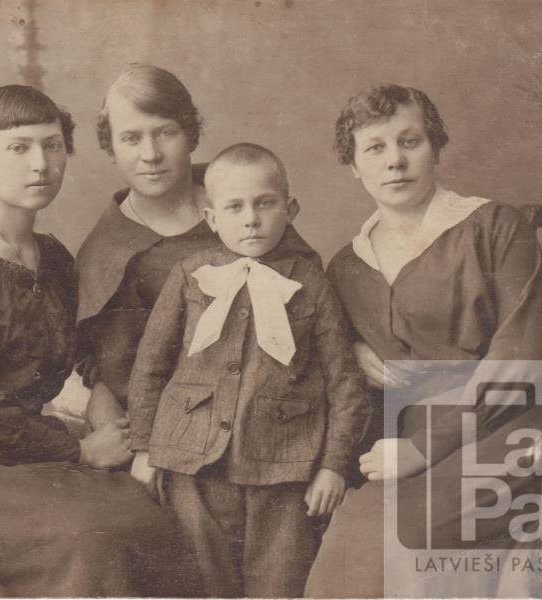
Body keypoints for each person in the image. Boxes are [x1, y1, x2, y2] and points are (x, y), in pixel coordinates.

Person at [0, 85, 203, 597]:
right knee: (96, 537)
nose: (40, 164)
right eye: (19, 147)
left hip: (25, 459)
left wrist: (103, 407)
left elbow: (82, 352)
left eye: (52, 146)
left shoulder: (53, 257)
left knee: (148, 517)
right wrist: (79, 449)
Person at [304, 84, 542, 597]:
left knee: (414, 533)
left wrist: (424, 450)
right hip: (408, 439)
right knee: (347, 555)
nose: (395, 161)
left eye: (410, 141)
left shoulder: (494, 227)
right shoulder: (347, 267)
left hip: (514, 423)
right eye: (374, 148)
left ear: (436, 147)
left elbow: (525, 360)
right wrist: (350, 351)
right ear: (353, 165)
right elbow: (325, 352)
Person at [128, 143, 370, 597]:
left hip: (284, 467)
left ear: (289, 209)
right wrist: (143, 447)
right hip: (192, 464)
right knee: (203, 583)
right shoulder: (190, 275)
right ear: (211, 217)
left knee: (279, 584)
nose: (251, 219)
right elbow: (150, 367)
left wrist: (333, 466)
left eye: (265, 203)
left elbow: (345, 382)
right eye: (234, 207)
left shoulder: (311, 283)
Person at [76, 64, 218, 433]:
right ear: (110, 148)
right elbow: (116, 375)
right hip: (179, 423)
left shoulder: (238, 194)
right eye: (131, 138)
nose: (151, 154)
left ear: (191, 135)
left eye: (165, 133)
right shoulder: (106, 252)